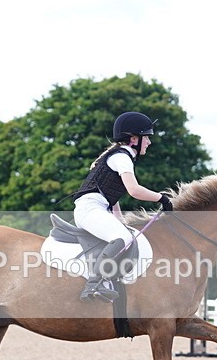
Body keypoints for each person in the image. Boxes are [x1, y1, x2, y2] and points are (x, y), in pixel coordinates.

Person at [73, 111, 173, 302]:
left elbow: (112, 196)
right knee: (123, 238)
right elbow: (134, 190)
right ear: (134, 139)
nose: (149, 142)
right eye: (147, 137)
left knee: (124, 232)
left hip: (95, 208)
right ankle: (94, 283)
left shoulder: (120, 156)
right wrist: (163, 198)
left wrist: (119, 219)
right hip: (90, 209)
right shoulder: (122, 158)